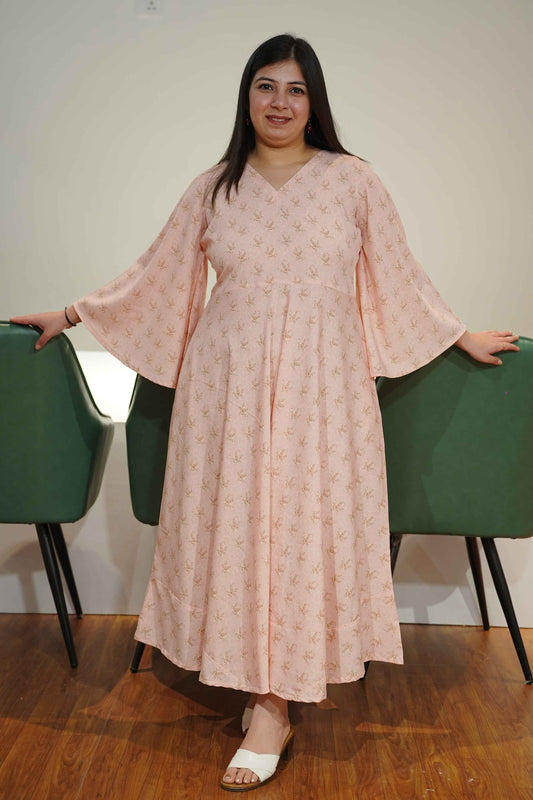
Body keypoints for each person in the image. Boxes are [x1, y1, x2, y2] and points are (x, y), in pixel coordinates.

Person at [11, 33, 520, 792]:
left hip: (323, 386)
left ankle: (275, 700)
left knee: (302, 530)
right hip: (228, 388)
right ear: (246, 96)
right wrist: (72, 313)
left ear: (315, 102)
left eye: (295, 89)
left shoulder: (353, 180)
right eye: (266, 86)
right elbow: (154, 274)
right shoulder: (214, 186)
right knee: (242, 528)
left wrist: (456, 333)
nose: (280, 103)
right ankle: (262, 693)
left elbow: (398, 274)